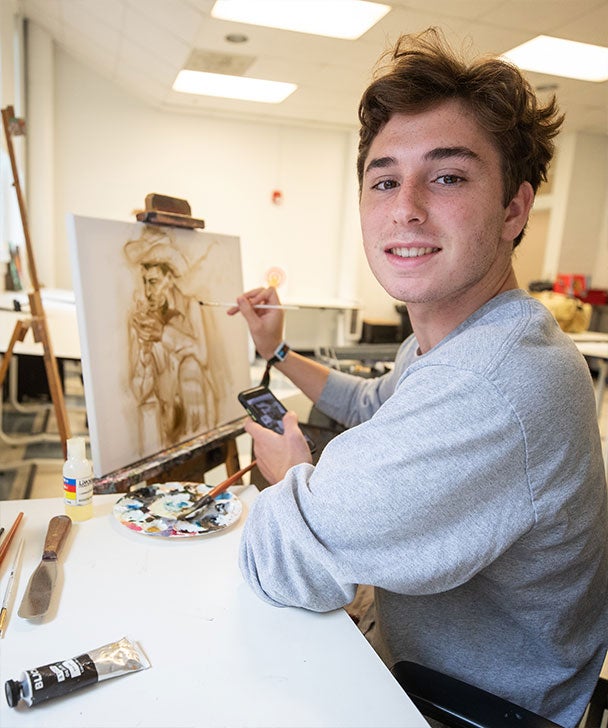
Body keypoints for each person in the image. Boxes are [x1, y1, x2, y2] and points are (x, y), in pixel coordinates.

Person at [229, 28, 608, 727]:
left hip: (468, 708)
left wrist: (290, 476)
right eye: (384, 180)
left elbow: (283, 560)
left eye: (448, 175)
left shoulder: (491, 382)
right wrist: (279, 353)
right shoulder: (465, 337)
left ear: (513, 210)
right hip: (429, 667)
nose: (404, 207)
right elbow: (371, 402)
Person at [124, 228, 219, 449]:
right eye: (145, 282)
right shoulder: (143, 319)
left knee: (191, 366)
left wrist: (163, 334)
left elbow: (202, 355)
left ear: (169, 278)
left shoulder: (191, 306)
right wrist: (144, 351)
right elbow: (139, 391)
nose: (148, 291)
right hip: (164, 425)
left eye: (154, 282)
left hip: (198, 419)